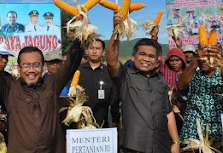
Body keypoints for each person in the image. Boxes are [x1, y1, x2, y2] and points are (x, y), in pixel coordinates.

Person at [0, 39, 84, 152]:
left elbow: (72, 61)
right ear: (18, 68)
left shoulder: (52, 84)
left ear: (43, 67)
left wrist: (81, 33)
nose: (31, 70)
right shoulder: (9, 88)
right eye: (26, 65)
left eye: (36, 65)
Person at [106, 11, 180, 153]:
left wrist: (175, 142)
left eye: (151, 56)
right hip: (134, 146)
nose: (146, 59)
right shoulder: (125, 77)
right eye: (142, 54)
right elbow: (111, 62)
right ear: (133, 57)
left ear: (158, 60)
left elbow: (168, 113)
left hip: (161, 145)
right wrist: (116, 31)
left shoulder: (161, 82)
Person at [178, 44, 223, 146]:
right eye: (202, 57)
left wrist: (221, 60)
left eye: (208, 57)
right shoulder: (192, 73)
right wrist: (196, 60)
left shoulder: (220, 74)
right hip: (192, 131)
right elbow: (180, 86)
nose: (204, 60)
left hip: (216, 132)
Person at [77, 38, 120, 128]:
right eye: (92, 48)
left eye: (98, 49)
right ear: (86, 50)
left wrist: (115, 120)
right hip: (80, 122)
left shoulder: (108, 72)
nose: (94, 51)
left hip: (103, 123)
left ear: (103, 52)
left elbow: (114, 99)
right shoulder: (78, 71)